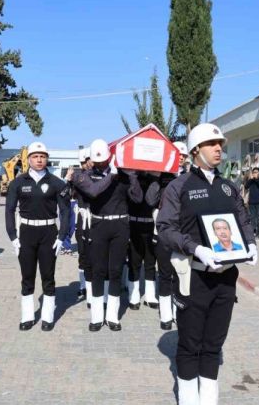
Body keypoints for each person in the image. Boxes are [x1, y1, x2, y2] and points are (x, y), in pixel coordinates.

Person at [157, 123, 257, 404]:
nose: (218, 149)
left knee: (214, 344)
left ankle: (209, 399)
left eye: (220, 144)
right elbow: (165, 228)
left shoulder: (228, 187)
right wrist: (195, 248)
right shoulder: (179, 186)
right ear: (195, 150)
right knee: (190, 345)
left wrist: (250, 244)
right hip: (194, 277)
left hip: (225, 278)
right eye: (212, 144)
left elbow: (243, 219)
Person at [71, 139, 143, 332]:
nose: (101, 164)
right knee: (98, 270)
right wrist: (111, 175)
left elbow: (137, 198)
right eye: (97, 161)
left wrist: (132, 175)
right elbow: (93, 192)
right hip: (98, 224)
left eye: (104, 160)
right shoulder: (83, 176)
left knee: (116, 271)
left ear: (110, 157)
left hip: (120, 225)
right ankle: (96, 316)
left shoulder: (121, 175)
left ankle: (112, 316)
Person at [5, 142, 70, 332]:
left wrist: (61, 236)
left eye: (42, 156)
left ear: (47, 158)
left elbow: (65, 212)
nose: (39, 160)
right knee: (27, 276)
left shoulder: (57, 183)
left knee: (48, 276)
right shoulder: (18, 182)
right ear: (28, 159)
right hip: (26, 233)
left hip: (48, 233)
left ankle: (47, 317)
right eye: (35, 156)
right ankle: (27, 316)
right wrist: (13, 236)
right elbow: (9, 210)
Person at [145, 170, 178, 330]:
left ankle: (178, 312)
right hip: (162, 235)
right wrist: (157, 179)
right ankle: (166, 315)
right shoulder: (157, 181)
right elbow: (150, 200)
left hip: (180, 236)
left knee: (179, 276)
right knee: (165, 275)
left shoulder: (183, 180)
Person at [126, 172, 159, 311]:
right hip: (134, 225)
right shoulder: (131, 179)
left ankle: (150, 296)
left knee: (151, 262)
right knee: (134, 262)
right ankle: (133, 294)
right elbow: (136, 199)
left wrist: (156, 178)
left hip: (151, 225)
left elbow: (153, 201)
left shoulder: (156, 179)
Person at [70, 148, 93, 301]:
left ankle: (92, 285)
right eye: (90, 160)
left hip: (95, 218)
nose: (92, 163)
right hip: (83, 216)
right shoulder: (78, 176)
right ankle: (83, 285)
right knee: (83, 253)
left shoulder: (98, 175)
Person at [244, 167, 259, 235]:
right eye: (253, 172)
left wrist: (256, 179)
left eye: (256, 172)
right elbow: (246, 186)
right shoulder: (251, 181)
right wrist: (251, 179)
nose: (254, 173)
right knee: (252, 217)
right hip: (252, 202)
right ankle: (253, 230)